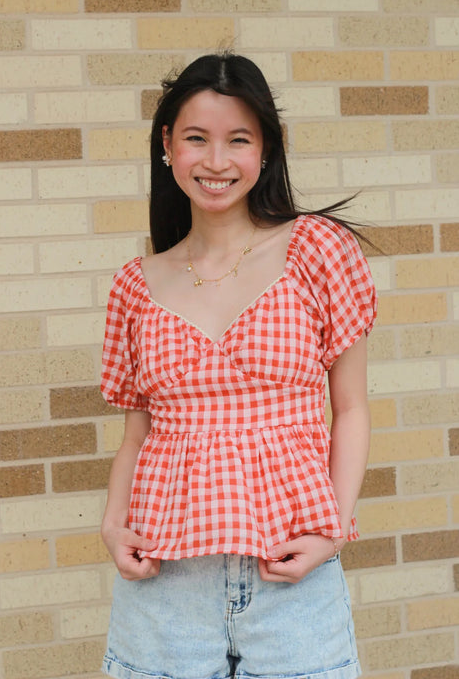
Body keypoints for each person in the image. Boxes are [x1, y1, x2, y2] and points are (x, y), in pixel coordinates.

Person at [100, 53, 377, 679]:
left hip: (291, 578)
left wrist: (332, 530)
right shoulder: (135, 286)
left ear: (266, 150)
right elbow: (138, 434)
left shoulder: (317, 250)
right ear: (168, 145)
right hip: (163, 585)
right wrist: (113, 526)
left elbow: (352, 408)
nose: (217, 161)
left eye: (239, 140)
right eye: (196, 138)